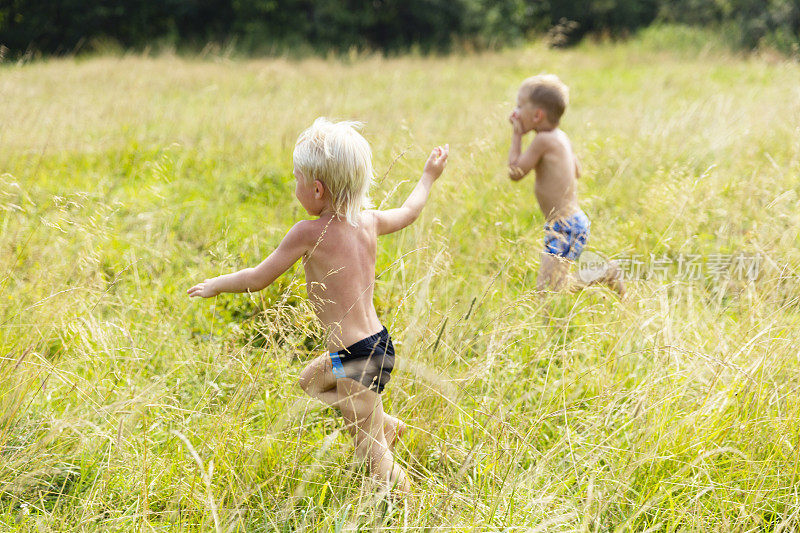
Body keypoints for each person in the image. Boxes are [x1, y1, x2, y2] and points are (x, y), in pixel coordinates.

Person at [188, 117, 449, 493]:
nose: (294, 187)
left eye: (296, 180)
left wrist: (217, 284)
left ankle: (409, 509)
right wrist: (428, 176)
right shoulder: (369, 221)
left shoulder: (309, 232)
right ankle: (383, 422)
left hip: (356, 354)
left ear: (316, 188)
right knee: (309, 381)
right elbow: (410, 211)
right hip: (377, 345)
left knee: (371, 452)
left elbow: (259, 278)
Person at [507, 74, 624, 296]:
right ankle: (605, 273)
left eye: (519, 106)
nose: (515, 111)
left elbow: (515, 172)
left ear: (537, 115)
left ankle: (607, 273)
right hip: (573, 221)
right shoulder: (561, 137)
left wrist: (516, 136)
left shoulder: (542, 141)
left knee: (546, 289)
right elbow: (577, 170)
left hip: (564, 225)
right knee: (557, 286)